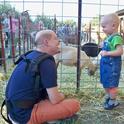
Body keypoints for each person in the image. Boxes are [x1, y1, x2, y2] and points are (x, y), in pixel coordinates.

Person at [5, 30, 80, 124]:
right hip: (24, 117)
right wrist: (63, 95)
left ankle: (48, 118)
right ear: (46, 42)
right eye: (56, 38)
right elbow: (55, 99)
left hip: (13, 111)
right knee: (74, 104)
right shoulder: (47, 61)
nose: (59, 41)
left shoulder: (30, 55)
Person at [100, 13, 124, 110]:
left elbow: (120, 51)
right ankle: (110, 97)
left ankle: (113, 101)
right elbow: (108, 46)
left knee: (112, 84)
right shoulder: (109, 38)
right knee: (106, 83)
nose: (103, 29)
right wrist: (103, 45)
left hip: (112, 67)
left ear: (113, 26)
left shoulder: (117, 38)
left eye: (104, 26)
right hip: (106, 67)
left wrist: (107, 53)